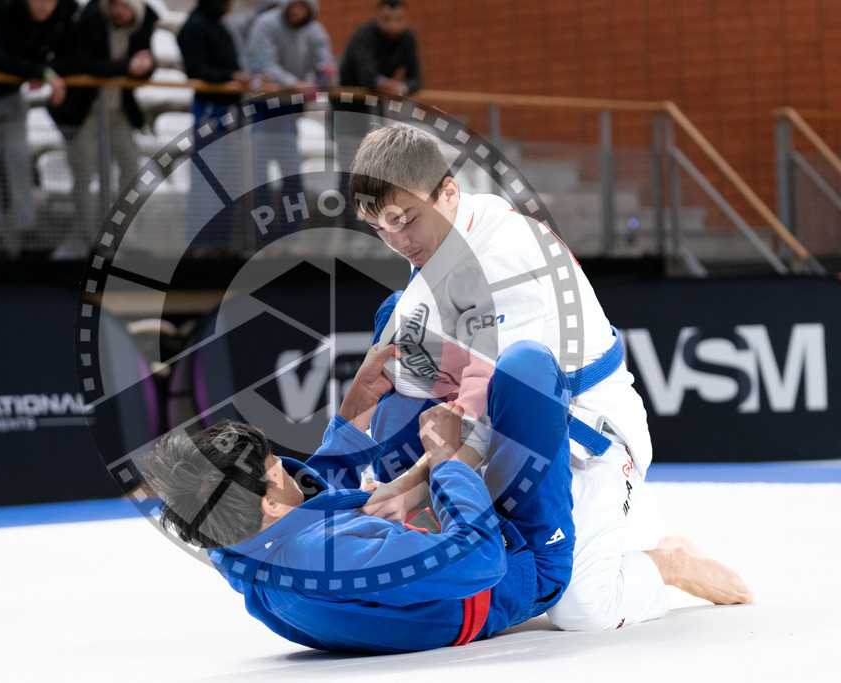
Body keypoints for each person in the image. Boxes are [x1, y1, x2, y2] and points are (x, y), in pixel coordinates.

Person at [347, 124, 754, 631]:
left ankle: (669, 560)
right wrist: (373, 483)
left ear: (448, 191)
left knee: (582, 608)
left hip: (586, 432)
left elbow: (492, 408)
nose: (397, 241)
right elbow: (419, 402)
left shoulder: (506, 258)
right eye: (380, 227)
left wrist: (410, 489)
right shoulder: (437, 243)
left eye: (404, 220)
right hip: (496, 430)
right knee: (397, 352)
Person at [142, 340, 577, 653]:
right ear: (269, 503)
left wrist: (356, 408)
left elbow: (306, 514)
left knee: (398, 342)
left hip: (421, 535)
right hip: (515, 565)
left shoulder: (234, 539)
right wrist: (445, 462)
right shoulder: (325, 556)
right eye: (278, 468)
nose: (288, 467)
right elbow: (481, 561)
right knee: (527, 367)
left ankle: (462, 432)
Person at [0, 0, 77, 257]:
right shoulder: (5, 6)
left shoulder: (66, 12)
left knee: (19, 159)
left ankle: (27, 232)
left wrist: (46, 69)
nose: (44, 5)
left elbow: (69, 51)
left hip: (12, 87)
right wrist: (40, 70)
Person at [47, 0, 158, 260]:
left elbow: (143, 63)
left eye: (125, 7)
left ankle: (118, 235)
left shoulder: (144, 24)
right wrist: (127, 66)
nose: (118, 11)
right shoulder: (90, 19)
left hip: (118, 108)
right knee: (83, 171)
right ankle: (85, 238)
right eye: (115, 5)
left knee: (131, 168)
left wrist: (145, 67)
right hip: (85, 107)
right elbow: (84, 64)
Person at [244, 0, 334, 242]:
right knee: (259, 175)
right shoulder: (266, 24)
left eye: (303, 7)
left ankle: (290, 238)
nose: (296, 11)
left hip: (289, 109)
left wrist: (324, 69)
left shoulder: (314, 30)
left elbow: (323, 58)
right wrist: (295, 83)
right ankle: (259, 239)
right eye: (293, 5)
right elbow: (263, 65)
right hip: (262, 108)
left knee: (292, 174)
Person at [334, 0, 422, 233]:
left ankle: (373, 231)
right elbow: (366, 74)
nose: (393, 25)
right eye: (387, 19)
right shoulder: (363, 34)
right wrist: (386, 85)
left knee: (375, 173)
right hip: (347, 109)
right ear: (377, 17)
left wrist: (400, 87)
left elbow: (416, 78)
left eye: (398, 20)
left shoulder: (407, 38)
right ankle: (350, 231)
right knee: (349, 172)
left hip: (375, 109)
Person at [177, 0, 251, 254]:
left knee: (228, 178)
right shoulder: (195, 26)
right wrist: (230, 77)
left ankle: (222, 241)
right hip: (210, 110)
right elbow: (196, 69)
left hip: (229, 111)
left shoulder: (219, 25)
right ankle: (200, 242)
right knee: (206, 177)